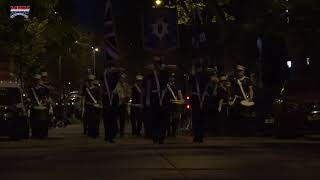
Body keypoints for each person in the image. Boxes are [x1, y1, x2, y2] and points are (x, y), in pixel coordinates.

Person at [146, 56, 169, 144]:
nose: (156, 65)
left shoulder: (165, 72)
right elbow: (148, 86)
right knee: (154, 118)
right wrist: (147, 98)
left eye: (158, 63)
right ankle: (155, 136)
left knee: (163, 118)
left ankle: (161, 137)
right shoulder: (151, 74)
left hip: (163, 97)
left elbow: (167, 83)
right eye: (155, 64)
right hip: (154, 96)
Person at [189, 58, 210, 143]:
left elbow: (189, 87)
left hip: (195, 97)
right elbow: (208, 87)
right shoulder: (207, 74)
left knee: (195, 117)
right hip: (204, 98)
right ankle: (200, 136)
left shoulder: (193, 75)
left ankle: (197, 135)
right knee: (202, 117)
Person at [230, 65, 255, 135]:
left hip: (245, 100)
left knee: (245, 116)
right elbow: (231, 90)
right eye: (237, 71)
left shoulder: (247, 80)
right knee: (236, 115)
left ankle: (245, 131)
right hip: (236, 99)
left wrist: (251, 98)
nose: (239, 72)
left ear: (243, 71)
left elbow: (250, 89)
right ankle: (236, 131)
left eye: (240, 71)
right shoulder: (234, 80)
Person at [101, 63, 121, 143]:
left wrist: (115, 70)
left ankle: (111, 134)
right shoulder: (104, 76)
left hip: (113, 97)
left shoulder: (114, 75)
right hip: (106, 97)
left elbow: (119, 73)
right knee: (107, 118)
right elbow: (102, 86)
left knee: (112, 118)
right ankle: (108, 136)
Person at [28, 74, 50, 138]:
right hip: (34, 108)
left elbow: (48, 95)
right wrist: (29, 100)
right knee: (34, 122)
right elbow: (29, 97)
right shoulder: (31, 89)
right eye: (35, 80)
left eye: (38, 80)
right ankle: (35, 134)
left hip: (43, 108)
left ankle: (44, 134)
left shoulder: (44, 89)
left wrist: (45, 101)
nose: (36, 81)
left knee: (44, 122)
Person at [114, 73, 131, 137]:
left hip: (123, 104)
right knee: (115, 118)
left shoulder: (126, 85)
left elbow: (129, 93)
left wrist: (126, 98)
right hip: (117, 103)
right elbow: (114, 93)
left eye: (124, 78)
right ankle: (116, 129)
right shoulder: (116, 85)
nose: (123, 79)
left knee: (122, 119)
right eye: (122, 78)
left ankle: (121, 132)